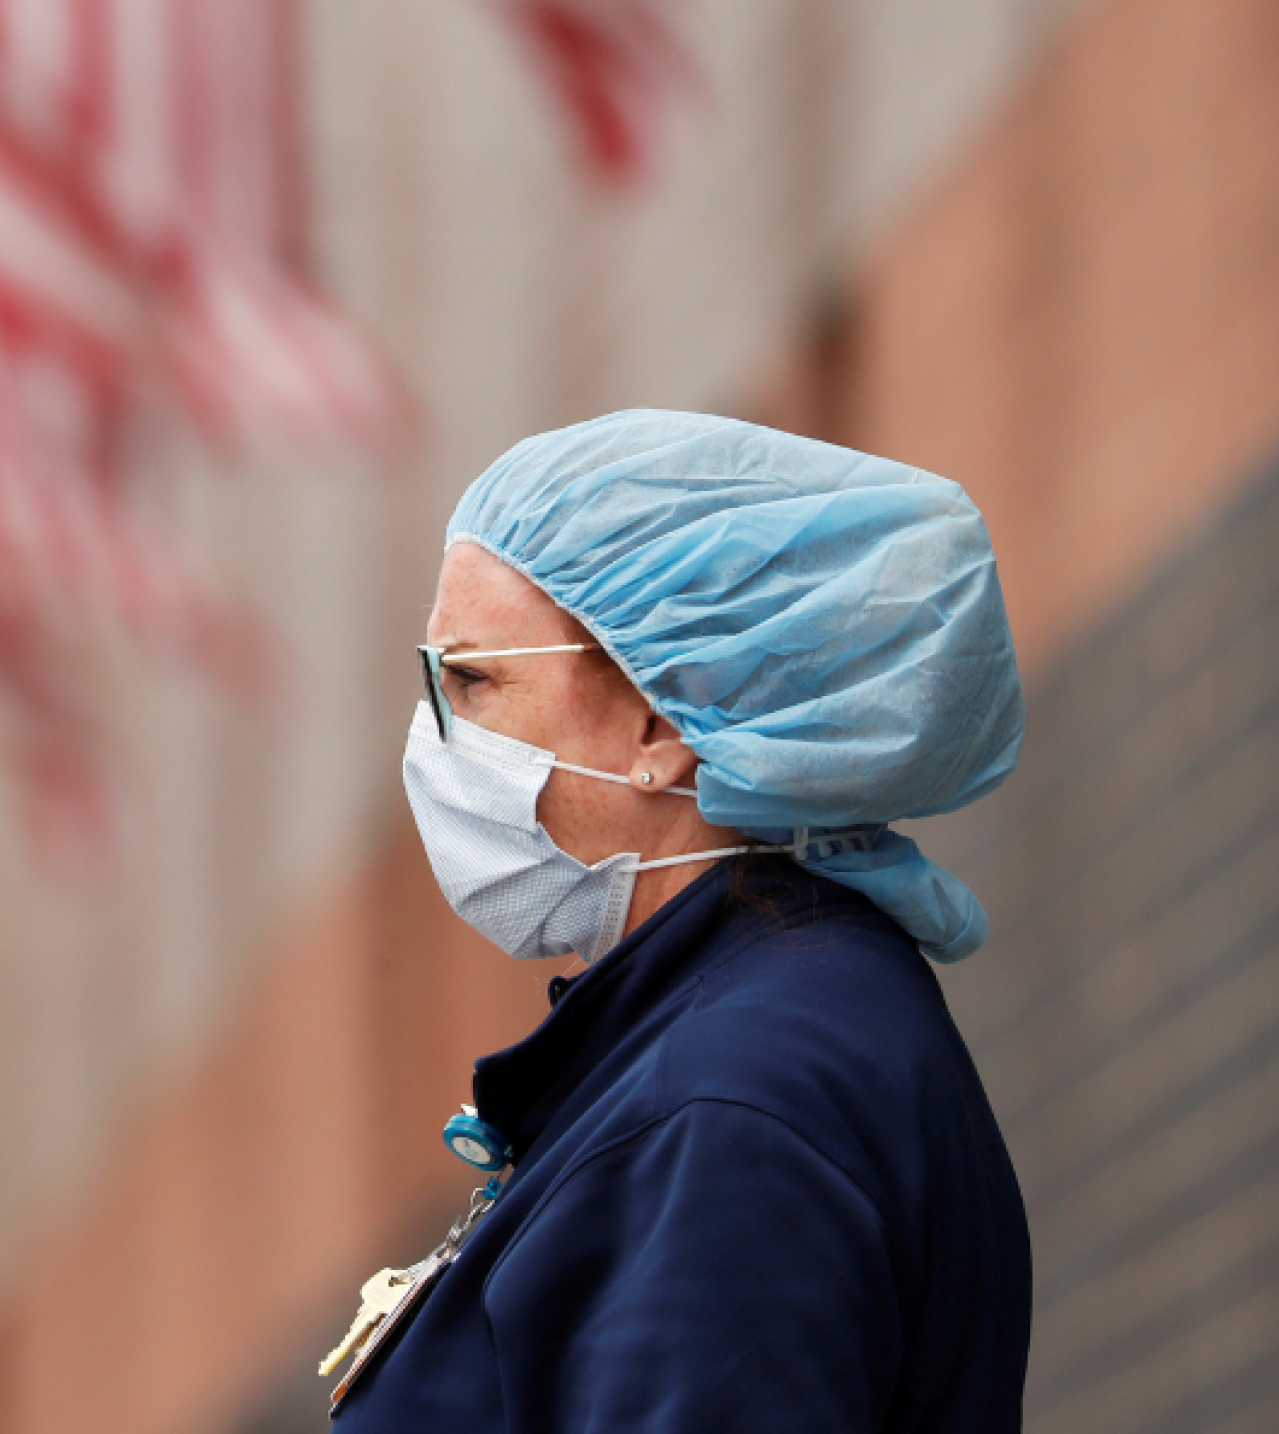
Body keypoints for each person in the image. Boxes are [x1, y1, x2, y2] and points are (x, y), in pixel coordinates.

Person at [327, 411, 1031, 1433]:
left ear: (659, 718)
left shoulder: (726, 1099)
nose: (432, 738)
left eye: (471, 680)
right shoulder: (724, 1047)